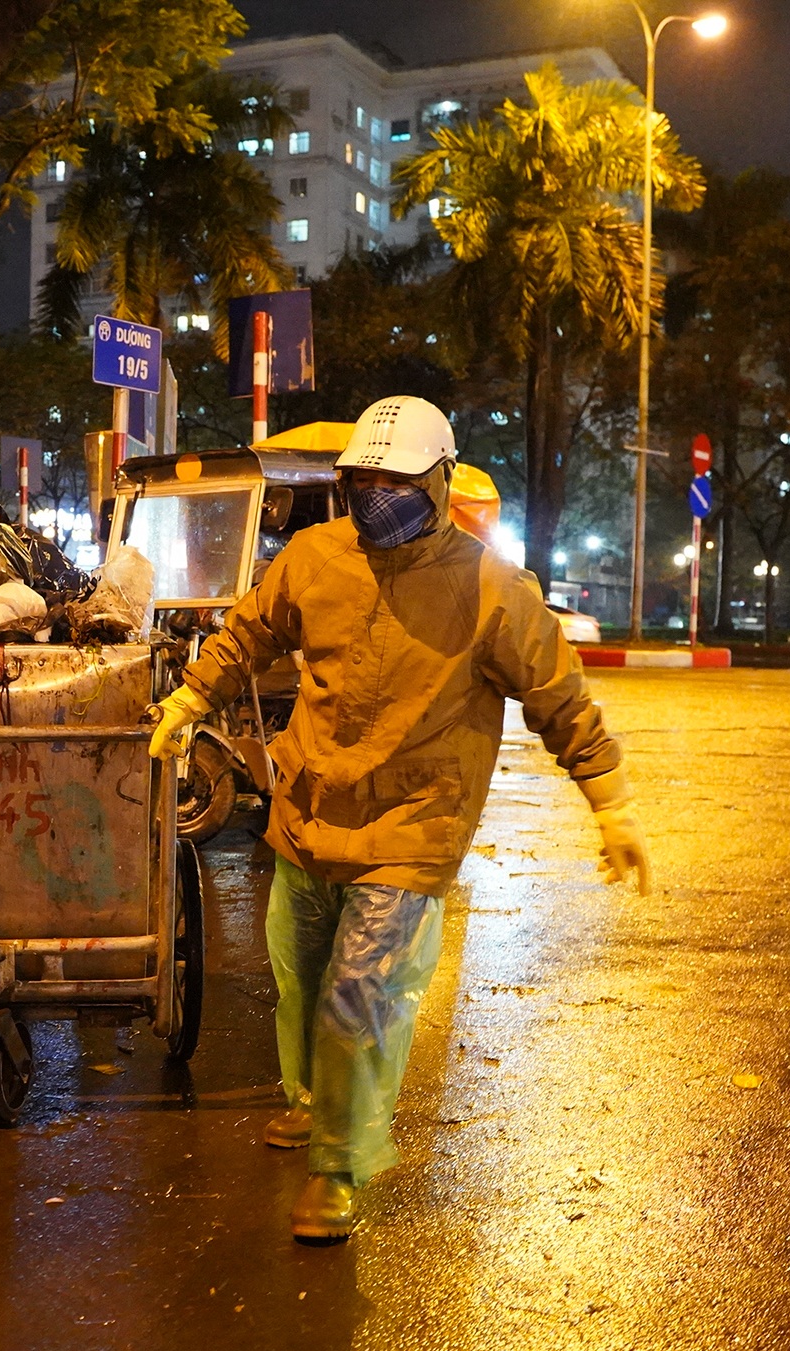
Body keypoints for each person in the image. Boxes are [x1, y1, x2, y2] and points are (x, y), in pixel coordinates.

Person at [148, 395, 653, 1244]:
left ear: (441, 481)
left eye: (398, 482)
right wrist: (195, 697)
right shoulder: (312, 557)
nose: (378, 496)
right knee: (301, 976)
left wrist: (612, 801)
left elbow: (559, 696)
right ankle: (315, 1105)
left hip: (415, 823)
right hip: (309, 813)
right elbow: (249, 633)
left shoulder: (492, 588)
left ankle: (339, 1167)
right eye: (364, 480)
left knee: (358, 995)